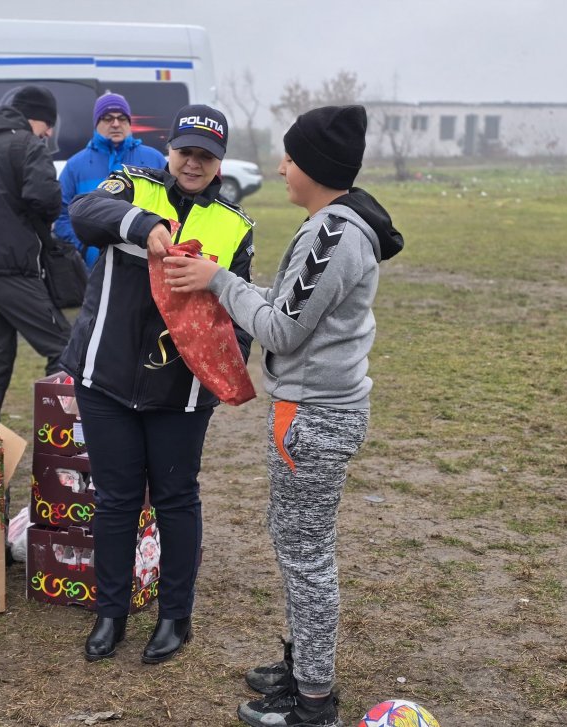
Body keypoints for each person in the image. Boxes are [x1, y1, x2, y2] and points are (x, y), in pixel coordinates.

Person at [164, 105, 404, 727]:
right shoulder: (328, 225)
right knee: (297, 544)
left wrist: (217, 280)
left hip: (312, 417)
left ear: (316, 168)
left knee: (306, 556)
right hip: (316, 410)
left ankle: (314, 699)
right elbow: (290, 307)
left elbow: (281, 328)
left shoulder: (334, 235)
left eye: (290, 158)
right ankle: (303, 664)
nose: (280, 167)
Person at [60, 104, 255, 665]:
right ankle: (111, 612)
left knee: (175, 499)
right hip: (107, 377)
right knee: (116, 500)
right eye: (186, 151)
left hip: (181, 390)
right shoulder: (135, 186)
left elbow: (238, 310)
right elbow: (84, 210)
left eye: (206, 156)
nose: (193, 163)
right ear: (167, 151)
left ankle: (175, 616)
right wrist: (143, 228)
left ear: (219, 165)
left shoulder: (235, 225)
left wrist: (225, 372)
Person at [0, 85, 70, 423]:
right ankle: (58, 440)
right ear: (36, 118)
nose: (49, 132)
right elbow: (46, 199)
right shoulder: (28, 145)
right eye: (48, 124)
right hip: (9, 271)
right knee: (65, 349)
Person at [54, 92, 166, 270]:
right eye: (107, 118)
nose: (115, 124)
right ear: (96, 123)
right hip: (94, 269)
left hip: (146, 267)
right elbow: (61, 215)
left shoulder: (155, 159)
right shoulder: (75, 166)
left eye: (122, 118)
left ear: (129, 123)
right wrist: (83, 247)